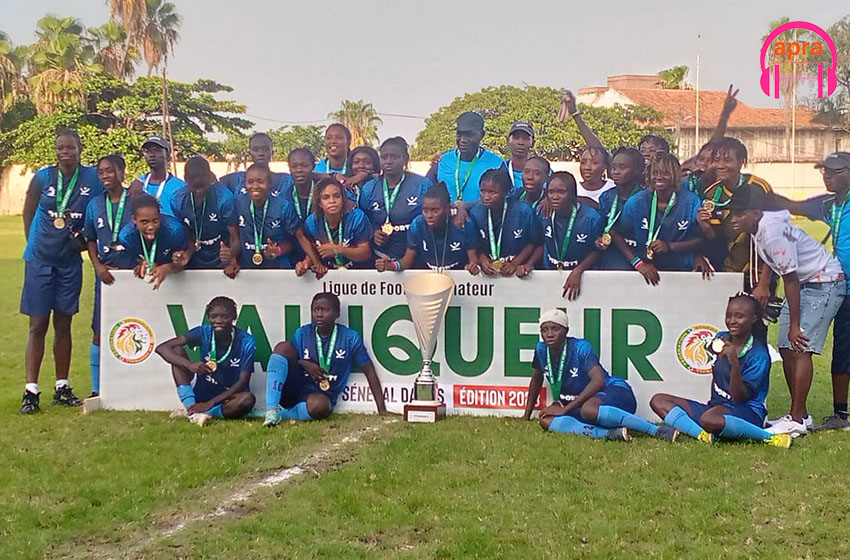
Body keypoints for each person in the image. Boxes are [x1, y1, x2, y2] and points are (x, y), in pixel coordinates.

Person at [730, 185, 845, 436]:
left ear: (756, 213)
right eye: (733, 213)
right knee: (784, 345)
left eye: (740, 213)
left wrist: (795, 325)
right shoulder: (759, 225)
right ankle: (800, 414)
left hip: (824, 282)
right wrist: (762, 284)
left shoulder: (772, 233)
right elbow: (773, 260)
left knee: (799, 345)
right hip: (805, 282)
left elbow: (790, 279)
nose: (734, 219)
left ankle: (796, 418)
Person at [19, 129, 103, 414]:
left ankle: (62, 386)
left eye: (70, 147)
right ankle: (31, 390)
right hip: (40, 260)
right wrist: (36, 243)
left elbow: (110, 200)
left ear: (80, 149)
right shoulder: (43, 177)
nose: (65, 152)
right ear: (55, 151)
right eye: (60, 148)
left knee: (64, 324)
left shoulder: (91, 178)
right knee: (37, 325)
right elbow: (28, 212)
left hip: (70, 262)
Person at [767, 152, 850, 431]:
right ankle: (840, 413)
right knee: (842, 349)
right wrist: (760, 197)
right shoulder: (827, 204)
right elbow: (792, 206)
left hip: (836, 283)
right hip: (840, 284)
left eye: (835, 172)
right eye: (825, 171)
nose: (827, 176)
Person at [650, 293, 791, 448]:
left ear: (754, 319)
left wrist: (734, 362)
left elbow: (739, 397)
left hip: (747, 412)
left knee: (709, 419)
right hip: (715, 407)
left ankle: (768, 437)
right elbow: (709, 349)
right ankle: (703, 435)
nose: (732, 321)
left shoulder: (759, 355)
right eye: (728, 315)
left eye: (739, 316)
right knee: (659, 400)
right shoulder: (721, 338)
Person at [523, 308, 677, 442]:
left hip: (615, 392)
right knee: (546, 420)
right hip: (582, 404)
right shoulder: (541, 349)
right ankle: (609, 434)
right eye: (544, 329)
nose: (549, 334)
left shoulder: (580, 347)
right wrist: (527, 415)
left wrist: (565, 409)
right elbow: (537, 378)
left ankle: (656, 430)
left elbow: (599, 381)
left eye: (555, 329)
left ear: (566, 331)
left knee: (588, 409)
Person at [263, 292, 388, 425]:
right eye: (316, 310)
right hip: (296, 389)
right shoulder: (302, 333)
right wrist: (305, 364)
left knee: (321, 406)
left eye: (325, 310)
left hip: (321, 395)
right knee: (282, 347)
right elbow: (290, 361)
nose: (319, 314)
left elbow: (369, 370)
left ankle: (283, 414)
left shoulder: (350, 338)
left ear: (337, 313)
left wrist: (381, 409)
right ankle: (271, 410)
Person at [155, 296, 256, 426]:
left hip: (228, 396)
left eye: (224, 317)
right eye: (214, 316)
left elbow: (243, 382)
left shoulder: (246, 341)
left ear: (234, 317)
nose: (218, 321)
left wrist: (210, 403)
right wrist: (189, 365)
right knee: (177, 351)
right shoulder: (203, 332)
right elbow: (162, 348)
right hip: (202, 388)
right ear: (209, 317)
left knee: (247, 400)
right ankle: (192, 410)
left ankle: (205, 412)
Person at [84, 154, 135, 398]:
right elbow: (90, 239)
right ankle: (97, 388)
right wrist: (97, 266)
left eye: (110, 171)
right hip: (106, 278)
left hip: (133, 276)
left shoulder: (134, 200)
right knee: (99, 329)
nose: (105, 175)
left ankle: (132, 381)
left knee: (134, 327)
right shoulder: (94, 204)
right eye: (101, 172)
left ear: (122, 171)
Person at [698, 137, 774, 300]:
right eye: (716, 160)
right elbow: (715, 238)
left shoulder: (759, 188)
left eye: (727, 160)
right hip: (726, 274)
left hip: (758, 276)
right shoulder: (711, 194)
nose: (720, 165)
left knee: (757, 324)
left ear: (741, 162)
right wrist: (705, 226)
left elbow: (774, 237)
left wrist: (764, 283)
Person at [617, 153, 703, 285]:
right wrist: (638, 263)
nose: (659, 177)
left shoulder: (691, 201)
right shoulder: (637, 201)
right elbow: (615, 233)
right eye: (655, 173)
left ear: (675, 175)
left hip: (679, 263)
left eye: (665, 173)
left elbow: (701, 240)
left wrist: (670, 246)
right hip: (644, 263)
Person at [233, 163, 319, 274]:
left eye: (260, 181)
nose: (255, 186)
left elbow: (297, 238)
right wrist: (232, 261)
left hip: (278, 270)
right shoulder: (239, 202)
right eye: (250, 182)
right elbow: (233, 235)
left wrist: (316, 263)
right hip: (247, 270)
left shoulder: (283, 206)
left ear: (269, 184)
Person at [529, 172, 601, 299]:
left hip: (583, 276)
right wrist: (530, 263)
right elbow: (539, 243)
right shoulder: (543, 213)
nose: (555, 197)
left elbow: (598, 251)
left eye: (561, 192)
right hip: (550, 274)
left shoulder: (591, 218)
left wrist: (579, 270)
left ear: (573, 195)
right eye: (551, 192)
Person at [360, 137, 431, 266]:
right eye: (384, 157)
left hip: (416, 258)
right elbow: (364, 219)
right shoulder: (369, 188)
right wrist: (374, 232)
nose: (388, 161)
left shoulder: (422, 185)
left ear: (405, 159)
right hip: (380, 259)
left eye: (394, 157)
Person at [426, 111, 506, 225]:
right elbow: (427, 192)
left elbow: (504, 197)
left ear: (482, 135)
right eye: (459, 134)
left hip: (484, 226)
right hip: (447, 226)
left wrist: (466, 207)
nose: (463, 140)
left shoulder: (496, 163)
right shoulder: (442, 161)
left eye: (469, 135)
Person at [381, 184, 474, 272]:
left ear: (447, 209)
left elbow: (474, 261)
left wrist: (472, 267)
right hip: (429, 280)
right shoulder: (417, 225)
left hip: (460, 281)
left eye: (435, 211)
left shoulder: (463, 224)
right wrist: (391, 266)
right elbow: (406, 262)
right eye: (425, 211)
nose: (429, 216)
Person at [172, 156, 239, 276]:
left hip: (221, 259)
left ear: (209, 177)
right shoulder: (177, 200)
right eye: (194, 187)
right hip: (195, 261)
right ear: (186, 179)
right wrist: (186, 254)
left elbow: (235, 236)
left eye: (202, 186)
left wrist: (232, 256)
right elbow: (189, 236)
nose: (199, 192)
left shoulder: (224, 199)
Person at [468, 169, 541, 277]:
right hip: (490, 274)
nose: (486, 197)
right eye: (483, 191)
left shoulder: (524, 211)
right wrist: (483, 260)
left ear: (506, 192)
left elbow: (534, 243)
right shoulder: (476, 213)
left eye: (493, 192)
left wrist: (515, 263)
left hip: (518, 272)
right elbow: (475, 245)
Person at [118, 194, 189, 290]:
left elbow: (185, 261)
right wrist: (140, 264)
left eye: (155, 221)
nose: (150, 227)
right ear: (134, 219)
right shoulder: (126, 237)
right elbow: (133, 261)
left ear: (160, 216)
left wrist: (168, 267)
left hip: (177, 284)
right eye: (144, 222)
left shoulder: (174, 230)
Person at [557, 91, 615, 207]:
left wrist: (575, 113)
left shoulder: (613, 189)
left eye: (594, 163)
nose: (587, 167)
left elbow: (600, 150)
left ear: (605, 166)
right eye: (583, 162)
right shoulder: (572, 191)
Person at [304, 178, 372, 270]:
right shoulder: (312, 222)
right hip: (328, 274)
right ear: (319, 202)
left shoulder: (357, 218)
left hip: (358, 273)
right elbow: (312, 250)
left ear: (343, 199)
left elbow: (366, 253)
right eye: (326, 197)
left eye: (337, 196)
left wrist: (338, 250)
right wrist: (306, 263)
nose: (332, 201)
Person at [595, 147, 644, 270]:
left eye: (622, 168)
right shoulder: (606, 197)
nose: (616, 172)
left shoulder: (646, 198)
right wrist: (599, 241)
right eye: (614, 168)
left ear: (637, 171)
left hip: (640, 254)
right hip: (614, 255)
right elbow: (603, 229)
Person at [128, 135, 185, 216]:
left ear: (168, 155)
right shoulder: (138, 184)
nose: (151, 154)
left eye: (156, 150)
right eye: (148, 151)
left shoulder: (180, 187)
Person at [219, 132, 291, 196]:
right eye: (256, 150)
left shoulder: (284, 181)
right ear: (250, 153)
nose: (261, 153)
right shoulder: (236, 180)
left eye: (265, 149)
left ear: (272, 152)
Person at [505, 121, 535, 189]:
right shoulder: (500, 169)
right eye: (516, 138)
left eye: (525, 139)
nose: (520, 142)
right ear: (508, 141)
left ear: (533, 143)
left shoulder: (544, 172)